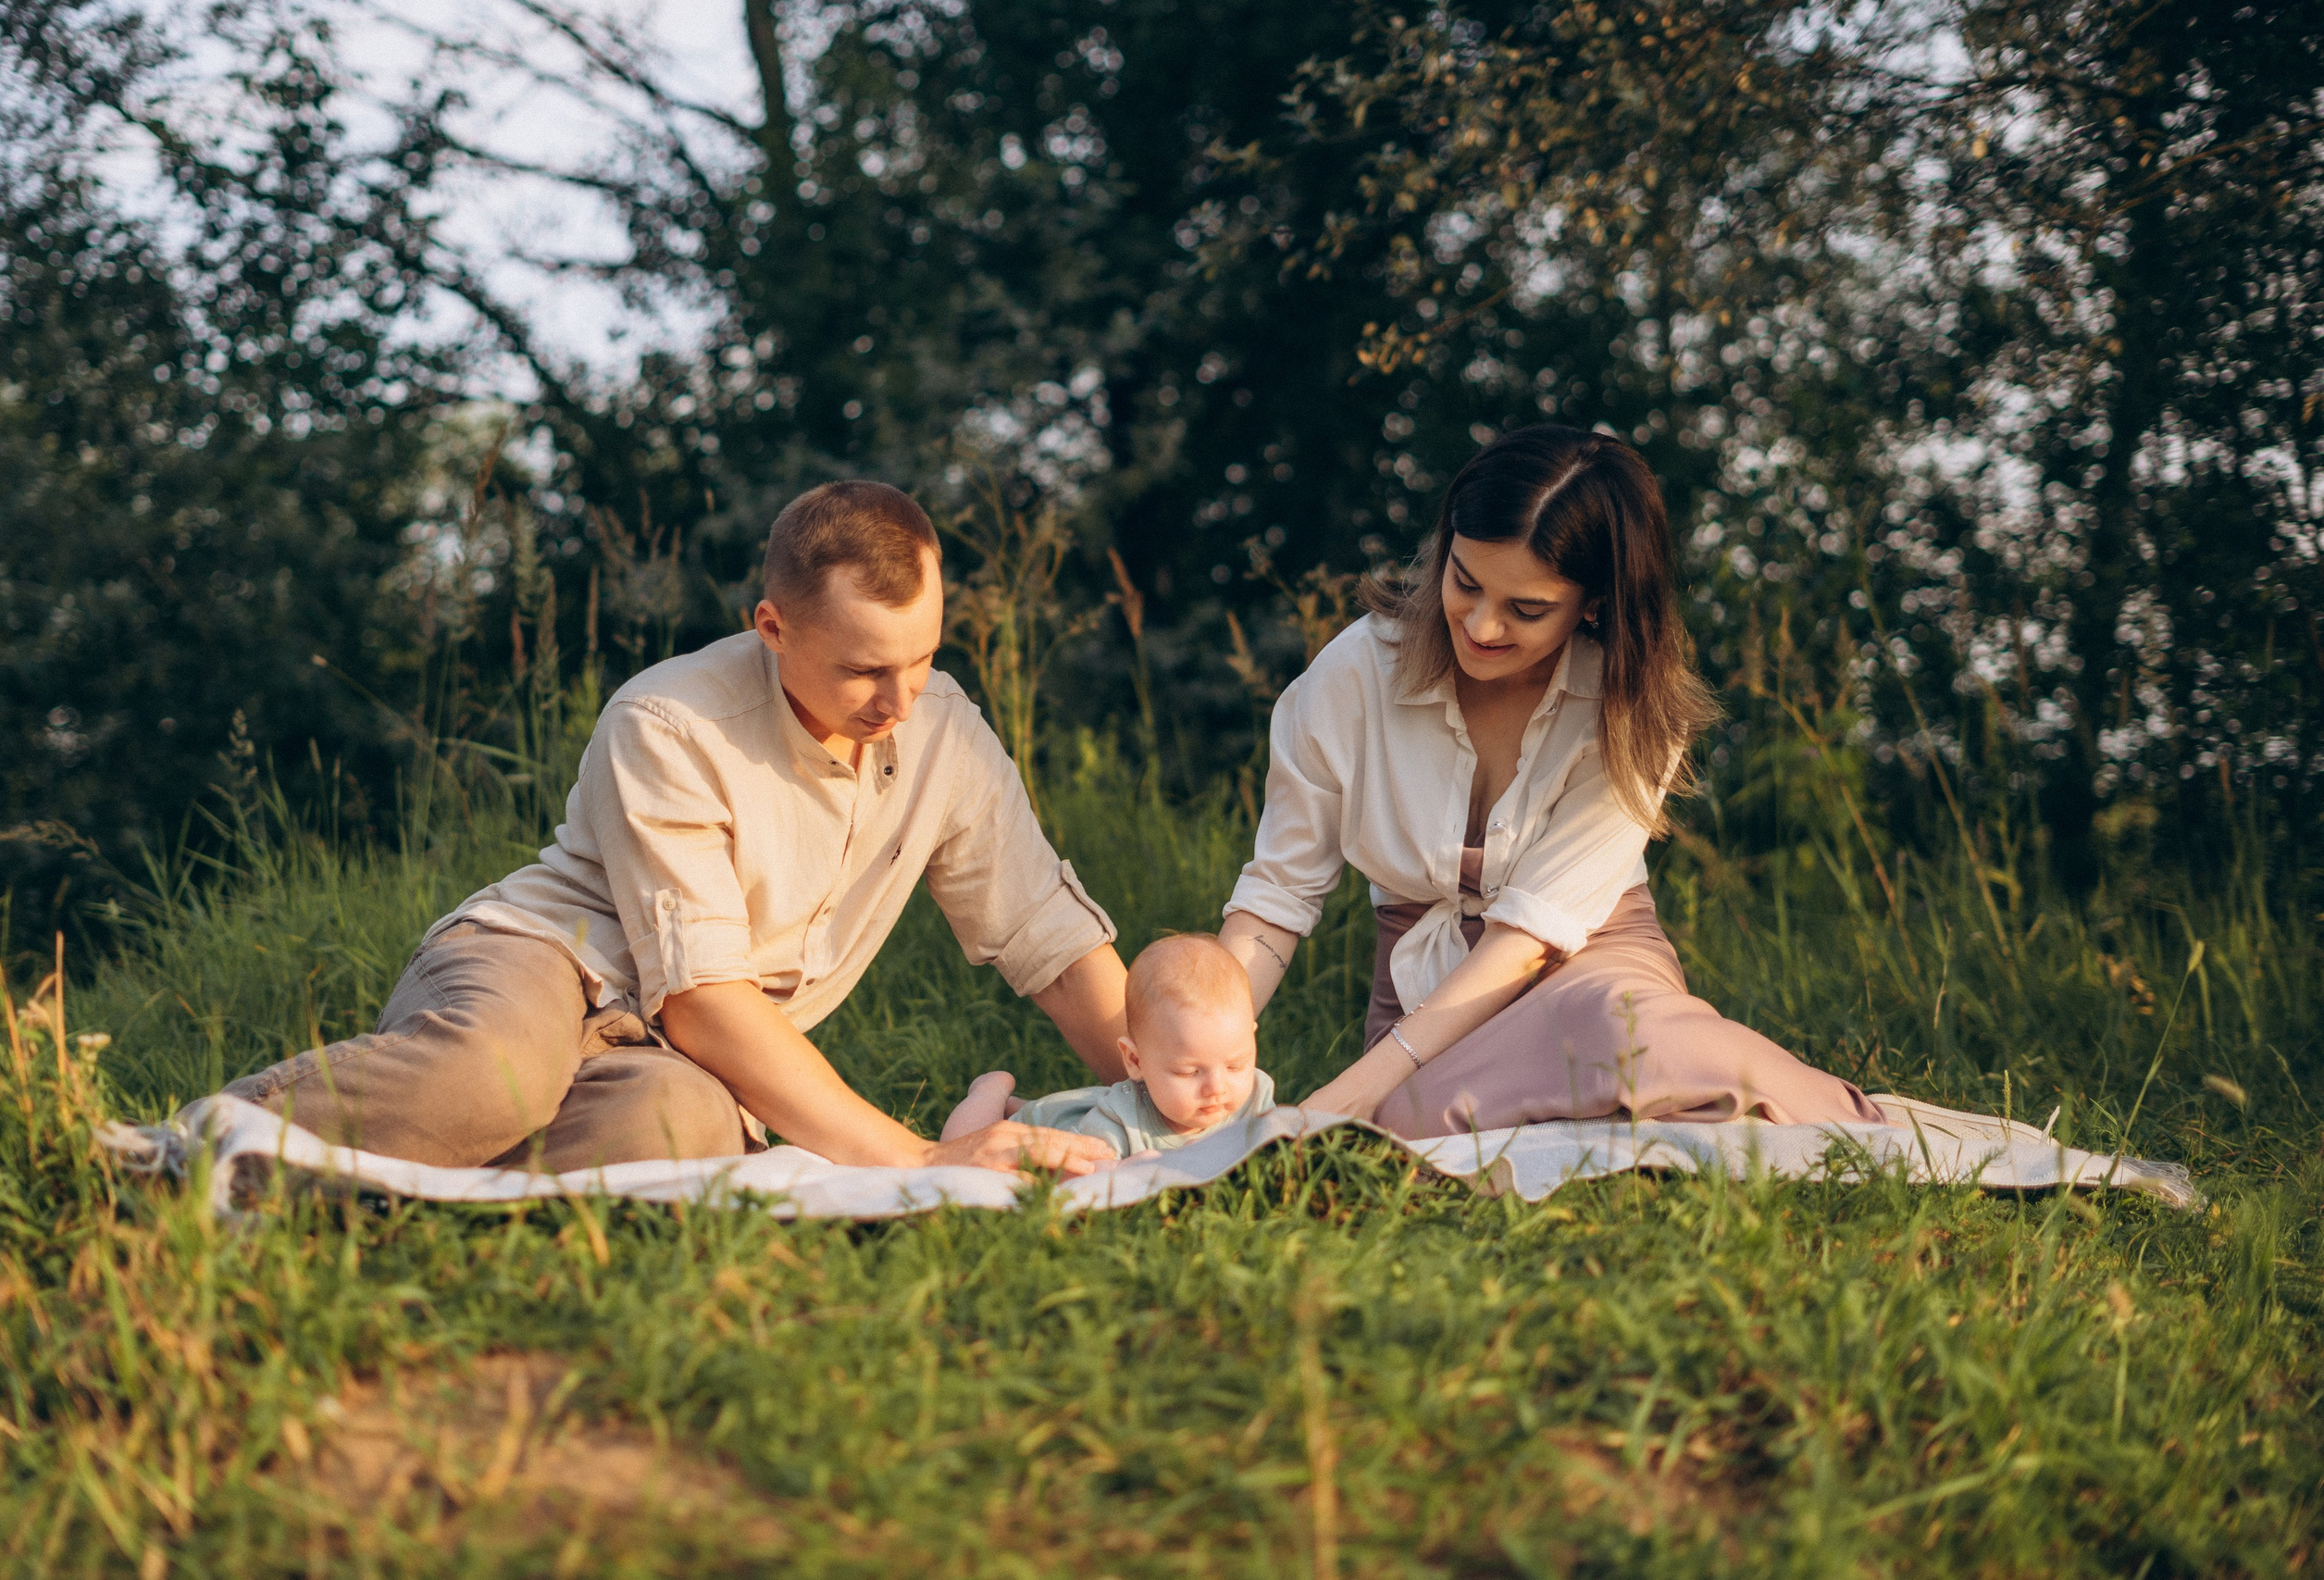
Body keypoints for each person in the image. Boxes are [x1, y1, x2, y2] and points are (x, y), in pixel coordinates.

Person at [215, 480, 1125, 1176]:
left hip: (676, 1057)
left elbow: (1046, 936)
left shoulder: (944, 732)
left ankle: (390, 1206)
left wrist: (1175, 1101)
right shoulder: (669, 720)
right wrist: (918, 1159)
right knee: (495, 1079)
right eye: (863, 670)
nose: (898, 699)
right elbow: (703, 998)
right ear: (772, 626)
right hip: (549, 959)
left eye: (922, 659)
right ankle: (194, 1147)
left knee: (676, 1139)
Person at [1217, 426, 1885, 1138]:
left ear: (1593, 603)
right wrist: (1207, 1043)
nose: (1480, 625)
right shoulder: (1356, 674)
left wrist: (1349, 1090)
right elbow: (1279, 893)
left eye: (1526, 609)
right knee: (1407, 1121)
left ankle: (1850, 1119)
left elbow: (1534, 935)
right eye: (1464, 582)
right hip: (1426, 983)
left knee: (1614, 1034)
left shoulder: (1628, 709)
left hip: (1586, 966)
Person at [940, 934, 1275, 1158]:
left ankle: (1027, 1105)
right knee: (960, 1149)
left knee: (1073, 1107)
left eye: (1236, 1065)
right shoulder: (1115, 1127)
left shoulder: (1255, 1095)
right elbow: (1080, 1180)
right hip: (1038, 1135)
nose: (1216, 1088)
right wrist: (1127, 1174)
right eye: (1189, 1071)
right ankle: (990, 1091)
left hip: (1087, 1109)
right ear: (1134, 1060)